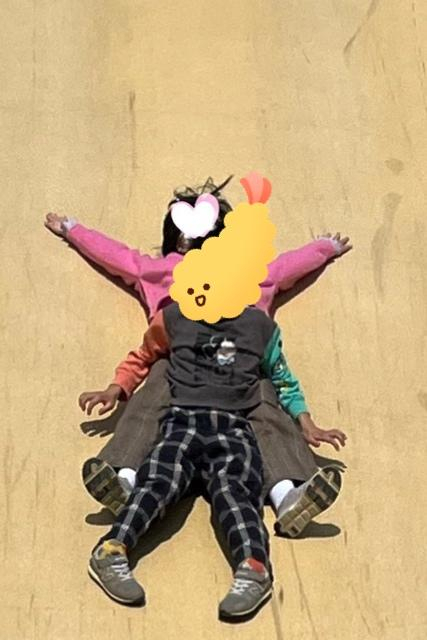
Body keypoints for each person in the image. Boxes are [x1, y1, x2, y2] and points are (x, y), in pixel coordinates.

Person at [45, 175, 350, 535]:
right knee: (157, 386)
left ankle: (289, 494)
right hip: (181, 357)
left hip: (239, 361)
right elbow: (117, 257)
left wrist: (325, 248)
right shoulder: (161, 271)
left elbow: (286, 268)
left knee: (263, 399)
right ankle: (123, 476)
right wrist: (73, 229)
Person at [79, 301, 341, 617]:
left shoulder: (258, 326)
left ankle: (254, 566)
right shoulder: (175, 317)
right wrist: (115, 388)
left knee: (236, 492)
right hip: (182, 420)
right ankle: (112, 544)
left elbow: (283, 378)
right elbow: (144, 354)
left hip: (233, 426)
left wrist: (306, 422)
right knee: (158, 481)